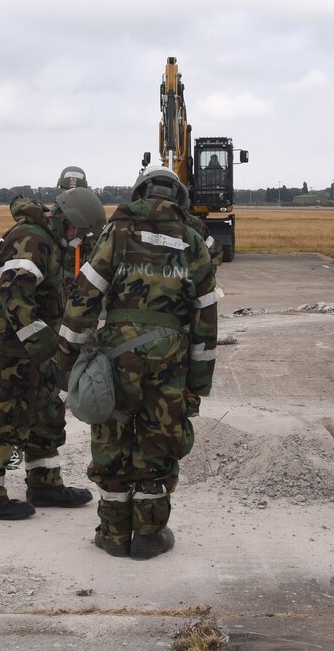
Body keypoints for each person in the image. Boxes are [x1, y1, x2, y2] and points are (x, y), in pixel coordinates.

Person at [61, 167, 219, 560]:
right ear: (179, 198)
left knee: (112, 435)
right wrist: (196, 387)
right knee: (159, 439)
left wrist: (67, 361)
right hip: (170, 359)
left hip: (116, 355)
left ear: (138, 194)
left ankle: (113, 534)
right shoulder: (195, 242)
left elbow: (84, 297)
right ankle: (149, 535)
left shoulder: (116, 234)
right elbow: (206, 321)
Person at [0, 189, 104, 519]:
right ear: (67, 222)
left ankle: (45, 483)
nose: (79, 240)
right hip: (6, 347)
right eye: (80, 232)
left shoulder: (48, 240)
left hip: (32, 348)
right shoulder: (31, 239)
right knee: (1, 416)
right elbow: (14, 296)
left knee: (45, 411)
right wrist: (47, 347)